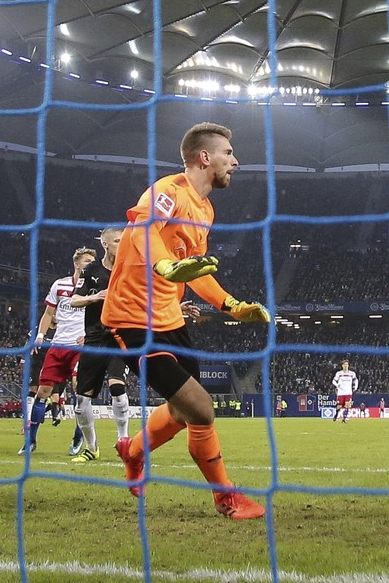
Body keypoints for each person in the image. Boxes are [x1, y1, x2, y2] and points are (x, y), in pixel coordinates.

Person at [101, 122, 272, 519]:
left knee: (183, 411)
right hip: (132, 321)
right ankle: (225, 496)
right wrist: (164, 264)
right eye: (229, 153)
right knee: (201, 409)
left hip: (170, 321)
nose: (236, 161)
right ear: (204, 157)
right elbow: (144, 229)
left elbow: (197, 270)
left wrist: (231, 305)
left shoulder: (205, 210)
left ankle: (132, 451)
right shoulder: (168, 191)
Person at [19, 248, 95, 456]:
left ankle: (78, 439)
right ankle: (31, 441)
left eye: (92, 261)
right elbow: (49, 312)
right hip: (58, 345)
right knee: (42, 392)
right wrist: (40, 336)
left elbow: (102, 315)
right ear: (77, 263)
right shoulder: (59, 285)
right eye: (87, 261)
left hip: (81, 346)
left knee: (79, 389)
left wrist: (90, 336)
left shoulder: (94, 287)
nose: (90, 264)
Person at [66, 227, 130, 462]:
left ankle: (124, 442)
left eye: (124, 240)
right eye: (116, 241)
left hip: (119, 338)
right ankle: (92, 448)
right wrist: (95, 296)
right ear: (105, 244)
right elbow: (74, 300)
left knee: (117, 387)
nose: (121, 244)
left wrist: (177, 307)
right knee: (82, 400)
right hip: (93, 339)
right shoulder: (91, 270)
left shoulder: (130, 268)